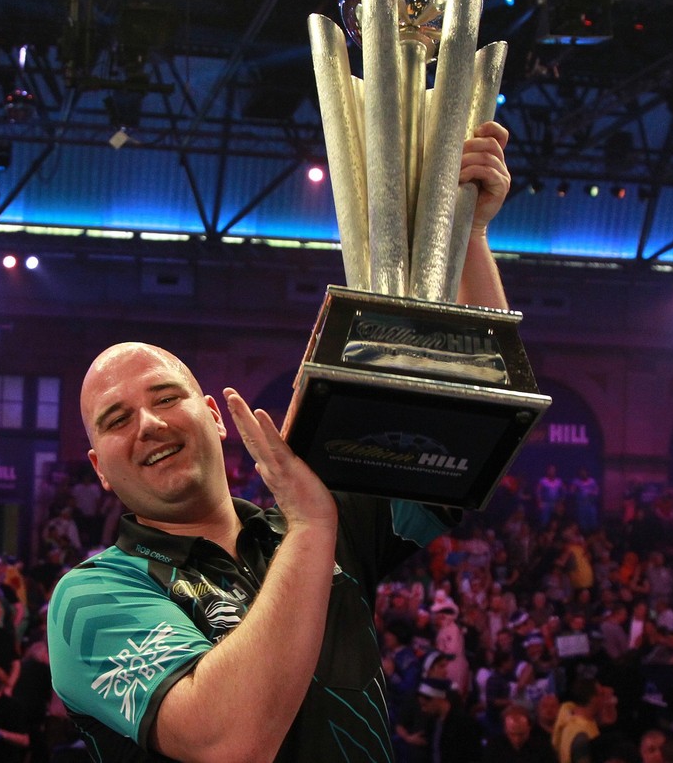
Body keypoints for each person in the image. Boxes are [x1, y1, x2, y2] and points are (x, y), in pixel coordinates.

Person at [46, 124, 513, 762]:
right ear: (99, 469)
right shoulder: (93, 597)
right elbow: (229, 741)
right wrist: (312, 523)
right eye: (116, 419)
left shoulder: (306, 522)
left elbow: (467, 427)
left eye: (164, 399)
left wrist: (466, 234)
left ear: (211, 415)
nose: (149, 425)